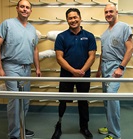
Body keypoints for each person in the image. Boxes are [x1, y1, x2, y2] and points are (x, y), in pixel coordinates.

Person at [0, 0, 41, 139]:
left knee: (25, 101)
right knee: (15, 101)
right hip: (11, 66)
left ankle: (21, 128)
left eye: (27, 7)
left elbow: (35, 49)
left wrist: (37, 67)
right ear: (17, 8)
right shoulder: (7, 24)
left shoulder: (32, 29)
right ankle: (14, 134)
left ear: (31, 11)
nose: (25, 9)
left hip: (27, 68)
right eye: (22, 7)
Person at [51, 8, 97, 139]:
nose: (73, 20)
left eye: (75, 17)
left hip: (84, 75)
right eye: (70, 18)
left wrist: (81, 71)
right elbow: (59, 57)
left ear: (80, 18)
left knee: (83, 101)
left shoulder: (89, 36)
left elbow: (92, 56)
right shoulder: (61, 37)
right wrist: (73, 71)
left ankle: (84, 127)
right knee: (63, 101)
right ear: (67, 20)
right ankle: (58, 126)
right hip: (66, 75)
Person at [96, 3, 133, 139]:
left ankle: (115, 134)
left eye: (111, 11)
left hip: (116, 66)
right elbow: (103, 53)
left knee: (111, 96)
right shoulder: (104, 34)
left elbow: (130, 49)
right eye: (106, 12)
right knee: (106, 99)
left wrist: (121, 67)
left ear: (116, 12)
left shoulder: (124, 27)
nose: (108, 14)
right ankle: (110, 125)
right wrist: (99, 70)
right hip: (105, 66)